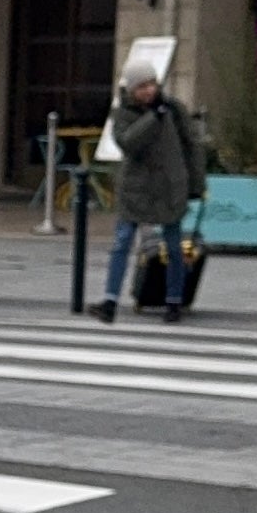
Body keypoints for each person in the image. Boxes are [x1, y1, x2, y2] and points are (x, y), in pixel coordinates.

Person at [95, 58, 204, 324]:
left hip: (169, 186)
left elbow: (192, 145)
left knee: (174, 246)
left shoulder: (174, 109)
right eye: (142, 86)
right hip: (137, 189)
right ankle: (110, 300)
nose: (148, 90)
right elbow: (128, 142)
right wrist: (153, 117)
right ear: (131, 89)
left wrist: (196, 184)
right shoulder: (123, 113)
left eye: (151, 84)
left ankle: (174, 301)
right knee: (122, 243)